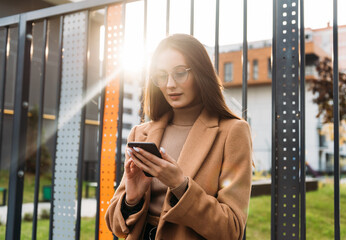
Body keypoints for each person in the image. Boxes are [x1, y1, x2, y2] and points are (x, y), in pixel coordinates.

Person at [105, 34, 253, 240]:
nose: (170, 84)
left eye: (180, 73)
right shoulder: (141, 133)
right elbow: (117, 227)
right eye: (161, 75)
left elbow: (231, 230)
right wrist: (132, 198)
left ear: (201, 72)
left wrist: (180, 186)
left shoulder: (232, 132)